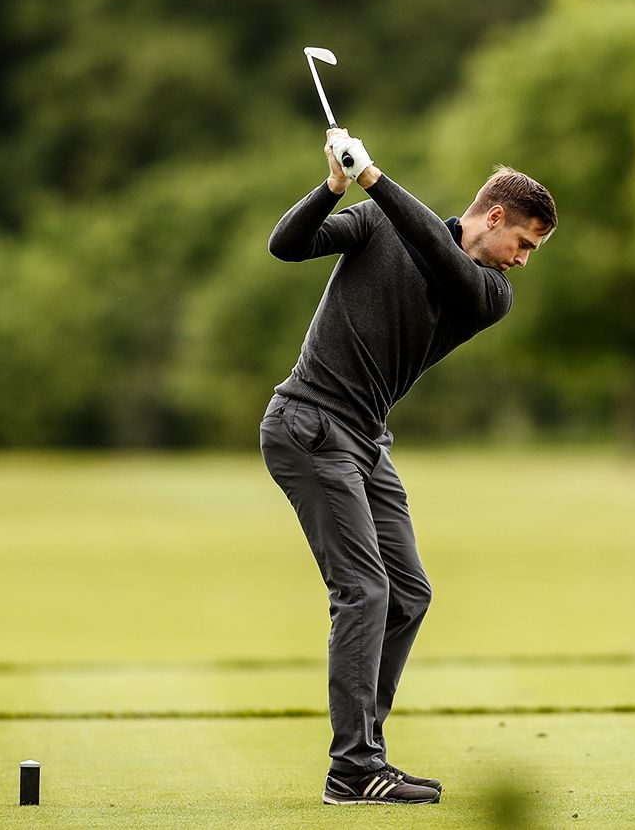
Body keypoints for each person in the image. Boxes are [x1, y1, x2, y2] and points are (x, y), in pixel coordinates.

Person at [260, 128, 557, 805]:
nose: (524, 260)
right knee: (364, 591)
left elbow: (438, 255)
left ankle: (365, 754)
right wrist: (336, 187)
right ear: (494, 217)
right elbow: (286, 245)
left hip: (364, 440)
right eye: (525, 244)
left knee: (408, 593)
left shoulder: (487, 292)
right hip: (307, 424)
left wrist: (374, 177)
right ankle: (354, 767)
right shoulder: (372, 221)